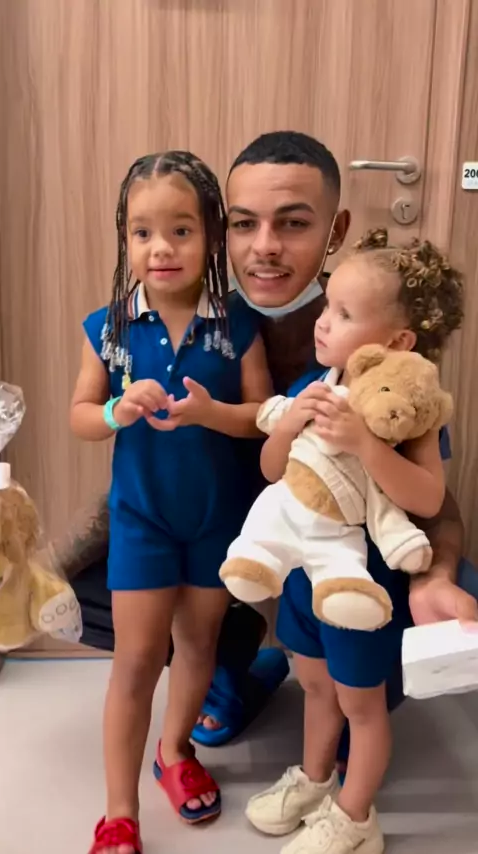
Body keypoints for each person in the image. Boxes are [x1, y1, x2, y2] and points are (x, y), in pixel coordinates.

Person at [66, 130, 478, 742]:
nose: (264, 247)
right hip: (223, 532)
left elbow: (435, 504)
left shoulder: (373, 332)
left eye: (293, 223)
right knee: (95, 588)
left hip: (342, 546)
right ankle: (234, 659)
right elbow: (131, 440)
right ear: (219, 231)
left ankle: (344, 685)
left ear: (335, 231)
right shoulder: (203, 321)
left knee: (407, 628)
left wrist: (435, 575)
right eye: (243, 224)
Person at [70, 151, 273, 854]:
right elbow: (79, 415)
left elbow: (262, 417)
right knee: (135, 660)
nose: (161, 248)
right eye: (142, 232)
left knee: (197, 645)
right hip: (143, 521)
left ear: (212, 236)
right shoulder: (110, 324)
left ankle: (175, 752)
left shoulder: (237, 323)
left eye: (181, 230)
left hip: (217, 520)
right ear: (125, 238)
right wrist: (117, 410)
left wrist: (212, 413)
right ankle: (118, 811)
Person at [245, 226, 463, 854]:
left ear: (397, 342)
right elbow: (271, 470)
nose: (323, 322)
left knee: (361, 709)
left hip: (365, 586)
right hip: (305, 576)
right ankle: (316, 779)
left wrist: (366, 444)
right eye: (327, 306)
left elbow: (428, 498)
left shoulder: (408, 407)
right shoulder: (317, 382)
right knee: (314, 686)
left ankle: (356, 815)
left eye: (343, 314)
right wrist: (287, 424)